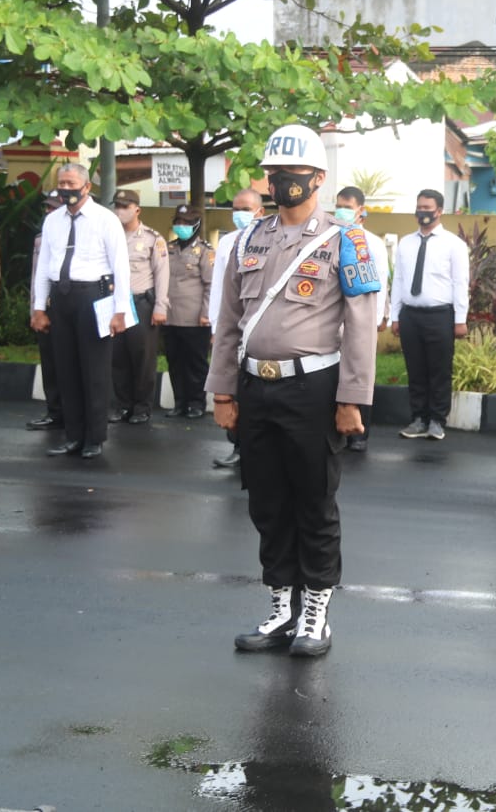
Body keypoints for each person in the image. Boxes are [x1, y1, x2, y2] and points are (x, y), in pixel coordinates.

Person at [207, 123, 379, 657]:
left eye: (295, 175)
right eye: (275, 174)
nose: (283, 183)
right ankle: (281, 606)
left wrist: (352, 399)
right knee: (266, 500)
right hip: (257, 385)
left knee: (313, 501)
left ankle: (315, 614)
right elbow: (228, 322)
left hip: (315, 388)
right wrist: (222, 391)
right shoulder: (247, 239)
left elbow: (362, 326)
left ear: (319, 179)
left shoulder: (346, 241)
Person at [31, 163, 131, 459]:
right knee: (66, 370)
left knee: (94, 370)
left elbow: (120, 266)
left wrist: (120, 310)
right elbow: (43, 267)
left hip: (94, 297)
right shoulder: (52, 221)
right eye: (62, 183)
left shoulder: (105, 219)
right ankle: (73, 436)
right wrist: (39, 307)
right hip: (62, 298)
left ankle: (94, 437)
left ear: (86, 187)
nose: (66, 188)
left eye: (71, 183)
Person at [388, 188, 469, 440]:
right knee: (416, 369)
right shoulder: (406, 243)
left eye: (427, 208)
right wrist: (395, 315)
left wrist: (460, 320)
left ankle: (437, 420)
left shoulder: (454, 244)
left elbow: (460, 283)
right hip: (411, 315)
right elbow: (399, 280)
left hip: (440, 316)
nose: (422, 212)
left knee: (439, 369)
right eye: (419, 207)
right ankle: (418, 418)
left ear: (439, 211)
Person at [208, 188, 268, 469]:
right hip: (232, 327)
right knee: (231, 389)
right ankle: (237, 446)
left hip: (259, 328)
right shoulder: (228, 243)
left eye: (246, 208)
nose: (240, 214)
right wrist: (215, 327)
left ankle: (260, 450)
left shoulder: (271, 241)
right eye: (235, 208)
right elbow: (219, 288)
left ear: (260, 211)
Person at [334, 186, 389, 453]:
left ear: (360, 210)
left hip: (362, 321)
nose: (341, 210)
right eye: (338, 205)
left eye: (346, 205)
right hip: (334, 322)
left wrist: (377, 320)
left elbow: (380, 284)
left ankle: (359, 434)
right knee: (336, 375)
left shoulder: (372, 243)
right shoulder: (331, 237)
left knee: (360, 373)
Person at [109, 189, 169, 425]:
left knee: (142, 358)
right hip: (115, 305)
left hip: (142, 303)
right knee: (118, 356)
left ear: (137, 209)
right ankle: (123, 405)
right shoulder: (110, 236)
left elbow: (162, 274)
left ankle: (142, 407)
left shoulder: (153, 239)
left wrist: (160, 306)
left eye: (125, 206)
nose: (121, 210)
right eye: (118, 206)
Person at [162, 203, 214, 420]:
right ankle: (180, 403)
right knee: (175, 363)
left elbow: (211, 285)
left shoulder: (205, 251)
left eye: (186, 223)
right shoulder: (168, 248)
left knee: (195, 364)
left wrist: (206, 313)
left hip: (195, 318)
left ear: (196, 225)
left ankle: (196, 403)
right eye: (178, 222)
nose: (181, 226)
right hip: (170, 316)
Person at [26, 191, 65, 431]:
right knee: (49, 364)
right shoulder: (41, 239)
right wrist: (35, 309)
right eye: (47, 208)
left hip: (67, 308)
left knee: (68, 364)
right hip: (44, 308)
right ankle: (54, 411)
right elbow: (36, 276)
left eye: (53, 208)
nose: (48, 213)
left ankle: (72, 413)